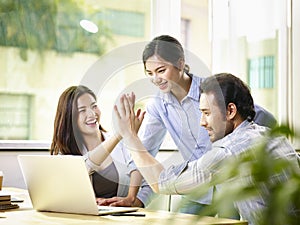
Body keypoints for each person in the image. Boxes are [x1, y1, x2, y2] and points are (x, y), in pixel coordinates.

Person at [113, 73, 300, 225]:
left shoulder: (229, 151)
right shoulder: (273, 136)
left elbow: (163, 183)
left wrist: (130, 136)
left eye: (206, 113)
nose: (202, 123)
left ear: (230, 111)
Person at [135, 34, 277, 214]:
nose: (156, 79)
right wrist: (136, 198)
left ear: (180, 63)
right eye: (150, 73)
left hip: (230, 189)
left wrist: (258, 158)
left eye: (161, 70)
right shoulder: (158, 106)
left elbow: (264, 117)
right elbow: (145, 153)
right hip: (197, 189)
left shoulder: (210, 90)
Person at [50, 85, 146, 207]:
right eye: (82, 110)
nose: (92, 114)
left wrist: (133, 202)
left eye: (94, 106)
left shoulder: (122, 144)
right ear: (70, 117)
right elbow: (84, 167)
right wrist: (120, 134)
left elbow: (148, 180)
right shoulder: (64, 152)